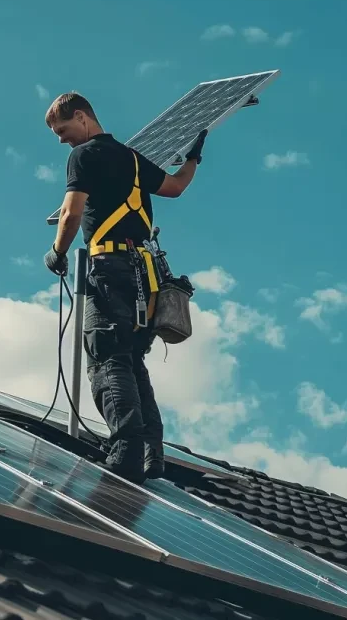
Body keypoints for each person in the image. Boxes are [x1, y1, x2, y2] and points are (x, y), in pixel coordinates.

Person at [42, 91, 207, 483]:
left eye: (63, 130)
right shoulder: (133, 160)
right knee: (132, 359)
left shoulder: (83, 156)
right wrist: (194, 157)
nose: (61, 140)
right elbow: (176, 187)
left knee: (106, 356)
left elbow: (72, 211)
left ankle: (126, 450)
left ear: (82, 117)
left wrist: (57, 252)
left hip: (109, 268)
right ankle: (152, 453)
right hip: (144, 277)